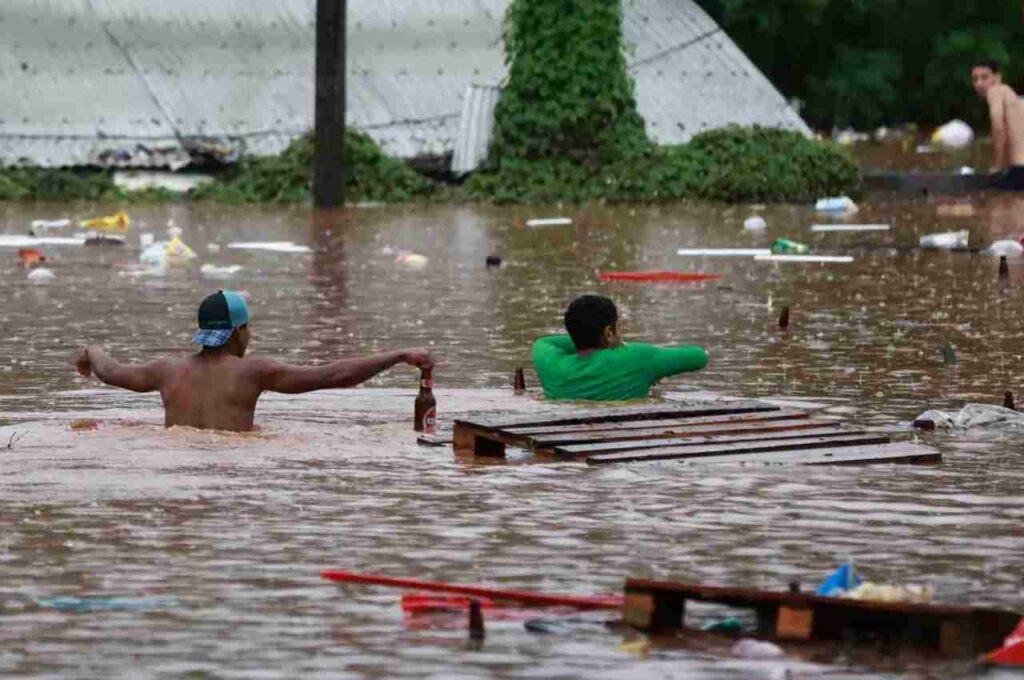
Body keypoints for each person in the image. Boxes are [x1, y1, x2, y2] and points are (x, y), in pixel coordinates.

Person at [73, 290, 434, 432]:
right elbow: (333, 375)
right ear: (237, 332)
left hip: (177, 460)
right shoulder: (253, 372)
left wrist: (91, 350)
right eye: (247, 329)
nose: (249, 336)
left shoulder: (167, 369)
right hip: (232, 467)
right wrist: (398, 355)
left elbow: (111, 371)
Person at [531, 295, 707, 401]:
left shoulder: (550, 364)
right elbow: (700, 357)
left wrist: (581, 338)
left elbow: (544, 342)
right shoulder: (637, 358)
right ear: (609, 333)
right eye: (618, 327)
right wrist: (622, 346)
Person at [971, 60, 1024, 189]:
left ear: (997, 78)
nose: (979, 83)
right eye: (975, 79)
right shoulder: (1018, 101)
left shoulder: (996, 91)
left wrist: (999, 166)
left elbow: (998, 126)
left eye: (985, 77)